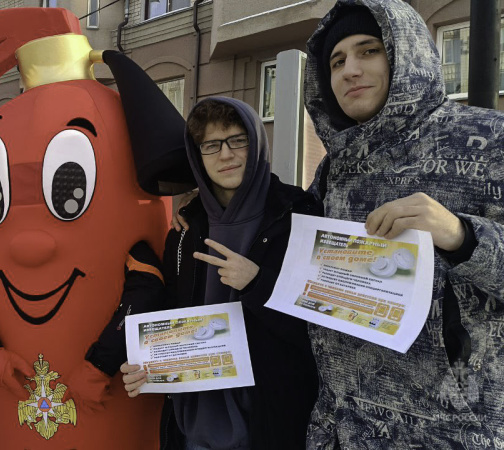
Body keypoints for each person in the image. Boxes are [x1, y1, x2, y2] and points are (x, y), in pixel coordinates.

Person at [301, 0, 504, 447]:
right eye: (337, 61)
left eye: (368, 50)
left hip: (451, 432)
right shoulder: (335, 168)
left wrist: (462, 236)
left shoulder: (490, 139)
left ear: (405, 53)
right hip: (342, 426)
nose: (350, 70)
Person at [122, 97, 321, 450]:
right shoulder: (186, 227)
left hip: (270, 424)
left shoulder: (298, 215)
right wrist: (147, 364)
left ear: (257, 142)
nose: (225, 155)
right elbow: (172, 314)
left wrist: (258, 283)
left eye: (237, 139)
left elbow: (318, 332)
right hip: (193, 429)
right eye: (211, 145)